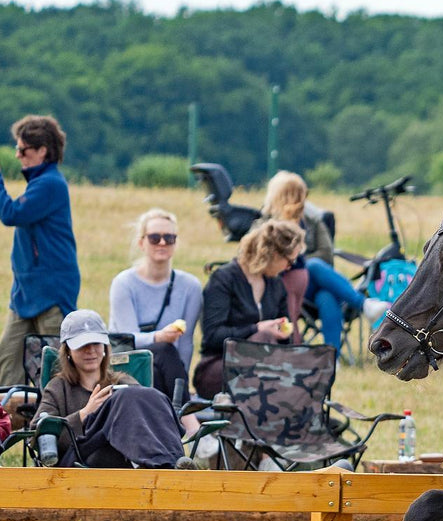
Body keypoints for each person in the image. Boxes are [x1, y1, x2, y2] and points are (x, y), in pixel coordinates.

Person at [0, 115, 81, 388]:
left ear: (42, 151)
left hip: (51, 293)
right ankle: (7, 422)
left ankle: (61, 421)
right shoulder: (40, 183)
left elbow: (11, 213)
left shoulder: (50, 184)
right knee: (7, 361)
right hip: (26, 292)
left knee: (58, 367)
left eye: (23, 150)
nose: (18, 155)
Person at [34, 310, 193, 469]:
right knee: (122, 398)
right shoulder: (58, 387)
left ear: (105, 347)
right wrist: (84, 414)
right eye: (82, 345)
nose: (90, 350)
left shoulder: (123, 381)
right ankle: (170, 466)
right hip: (78, 460)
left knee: (150, 396)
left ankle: (173, 464)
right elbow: (39, 434)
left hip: (125, 457)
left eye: (96, 343)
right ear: (68, 350)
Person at [259, 171, 388, 350]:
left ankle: (330, 359)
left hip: (310, 286)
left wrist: (299, 262)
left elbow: (326, 254)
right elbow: (261, 258)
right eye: (296, 194)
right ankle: (363, 304)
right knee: (313, 268)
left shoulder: (313, 221)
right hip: (280, 285)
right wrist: (297, 261)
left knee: (326, 296)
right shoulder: (265, 225)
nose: (302, 199)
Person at [193, 220, 301, 399]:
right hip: (219, 366)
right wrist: (256, 329)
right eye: (289, 261)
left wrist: (282, 333)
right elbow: (213, 336)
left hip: (266, 369)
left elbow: (287, 338)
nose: (290, 267)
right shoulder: (224, 279)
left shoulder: (276, 285)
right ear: (273, 254)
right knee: (263, 338)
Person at [108, 209, 203, 402]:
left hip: (168, 369)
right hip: (126, 363)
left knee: (162, 363)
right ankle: (187, 419)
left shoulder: (190, 287)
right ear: (141, 243)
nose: (162, 243)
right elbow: (128, 339)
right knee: (163, 349)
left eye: (169, 238)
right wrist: (159, 337)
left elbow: (186, 344)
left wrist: (179, 381)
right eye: (154, 238)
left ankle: (174, 415)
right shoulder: (124, 283)